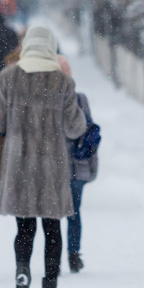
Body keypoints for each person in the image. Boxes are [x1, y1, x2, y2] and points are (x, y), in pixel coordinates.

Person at [0, 26, 86, 288]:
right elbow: (74, 127)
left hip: (19, 165)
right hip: (52, 165)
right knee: (53, 230)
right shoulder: (62, 81)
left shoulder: (9, 77)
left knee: (24, 228)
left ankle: (22, 276)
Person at [59, 56, 99, 273]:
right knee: (74, 212)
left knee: (54, 215)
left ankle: (54, 256)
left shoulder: (47, 100)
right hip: (78, 165)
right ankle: (74, 254)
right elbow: (88, 129)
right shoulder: (80, 99)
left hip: (55, 168)